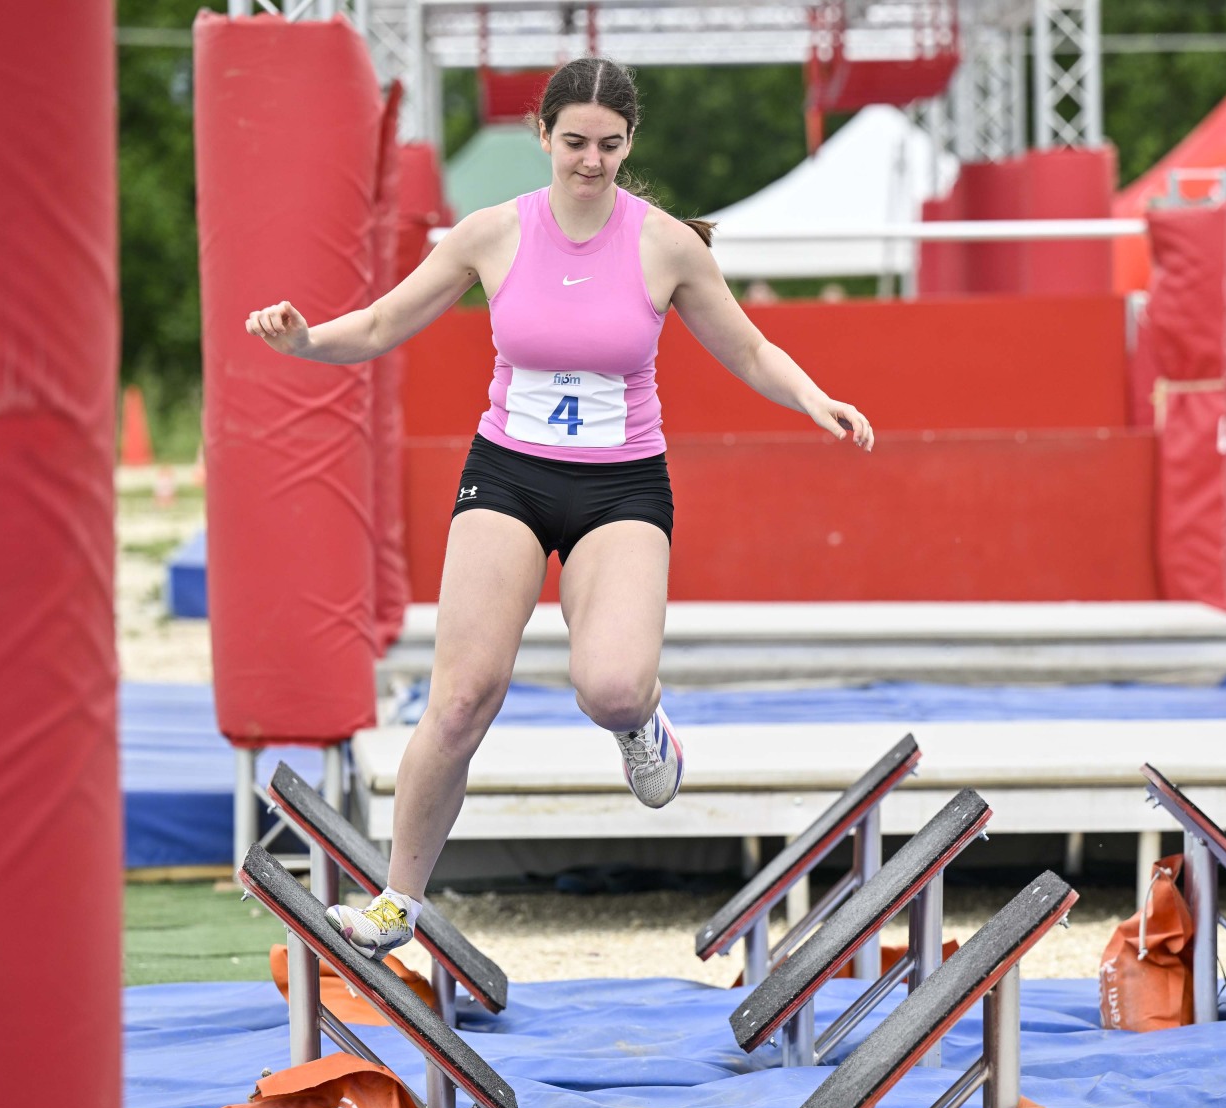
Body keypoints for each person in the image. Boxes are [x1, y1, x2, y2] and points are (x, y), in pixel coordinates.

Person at [244, 58, 875, 959]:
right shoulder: (492, 233)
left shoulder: (666, 246)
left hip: (620, 486)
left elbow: (748, 349)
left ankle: (642, 724)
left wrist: (813, 396)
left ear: (630, 143)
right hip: (508, 475)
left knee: (609, 687)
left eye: (609, 146)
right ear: (542, 135)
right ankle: (397, 900)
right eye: (574, 141)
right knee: (461, 699)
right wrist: (306, 341)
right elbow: (382, 324)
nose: (590, 161)